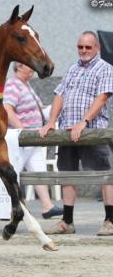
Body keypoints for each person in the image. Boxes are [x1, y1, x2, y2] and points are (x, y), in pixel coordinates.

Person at [40, 31, 113, 235]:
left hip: (92, 130)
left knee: (105, 175)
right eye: (80, 47)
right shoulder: (73, 69)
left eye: (88, 47)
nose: (83, 51)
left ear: (97, 48)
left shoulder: (105, 68)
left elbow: (102, 98)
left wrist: (84, 122)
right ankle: (67, 222)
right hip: (67, 130)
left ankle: (110, 220)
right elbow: (59, 96)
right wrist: (52, 121)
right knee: (67, 174)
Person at [3, 62, 63, 219]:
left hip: (33, 138)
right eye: (28, 65)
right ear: (18, 67)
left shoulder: (25, 85)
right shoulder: (13, 84)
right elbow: (7, 108)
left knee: (38, 170)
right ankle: (6, 208)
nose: (32, 68)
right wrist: (21, 129)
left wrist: (56, 108)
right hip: (21, 138)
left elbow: (39, 108)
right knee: (12, 172)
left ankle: (47, 206)